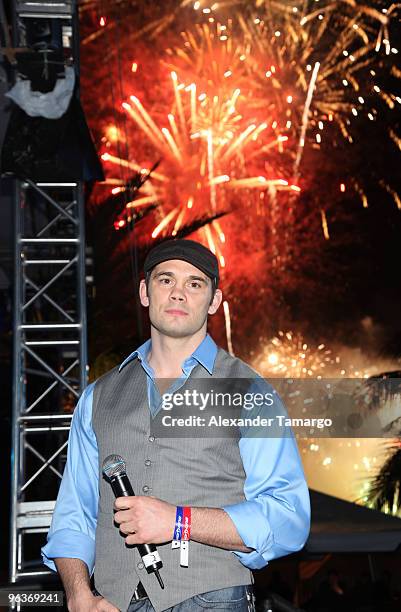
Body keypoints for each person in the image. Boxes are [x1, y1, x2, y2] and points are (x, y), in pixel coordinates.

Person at [41, 239, 311, 612]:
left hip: (213, 601)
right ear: (145, 292)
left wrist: (180, 521)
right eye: (166, 280)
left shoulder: (250, 392)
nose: (179, 293)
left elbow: (287, 517)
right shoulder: (97, 398)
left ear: (214, 301)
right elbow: (75, 513)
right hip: (112, 603)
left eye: (195, 283)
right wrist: (78, 594)